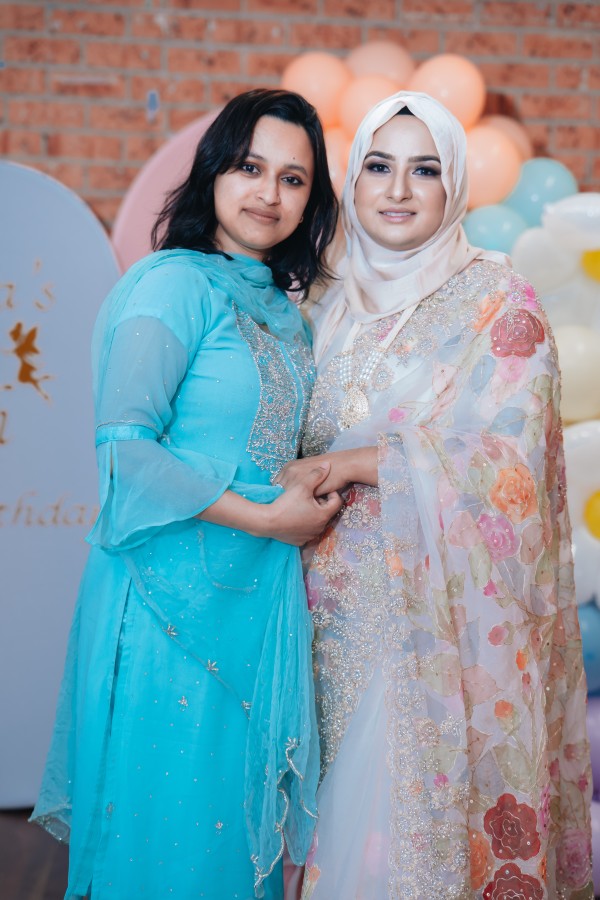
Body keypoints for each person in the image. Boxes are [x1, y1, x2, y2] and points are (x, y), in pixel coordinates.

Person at [277, 92, 593, 899]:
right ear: (352, 178)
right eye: (378, 166)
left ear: (453, 185)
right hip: (313, 619)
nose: (398, 190)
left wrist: (358, 463)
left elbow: (514, 464)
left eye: (425, 170)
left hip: (431, 623)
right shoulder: (322, 303)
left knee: (400, 842)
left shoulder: (498, 298)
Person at [31, 88, 343, 900]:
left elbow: (275, 446)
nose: (268, 194)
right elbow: (126, 450)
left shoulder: (286, 313)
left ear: (312, 199)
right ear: (213, 173)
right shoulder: (172, 286)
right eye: (250, 168)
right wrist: (267, 518)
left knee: (233, 839)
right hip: (166, 599)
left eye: (293, 179)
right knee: (166, 832)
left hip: (255, 601)